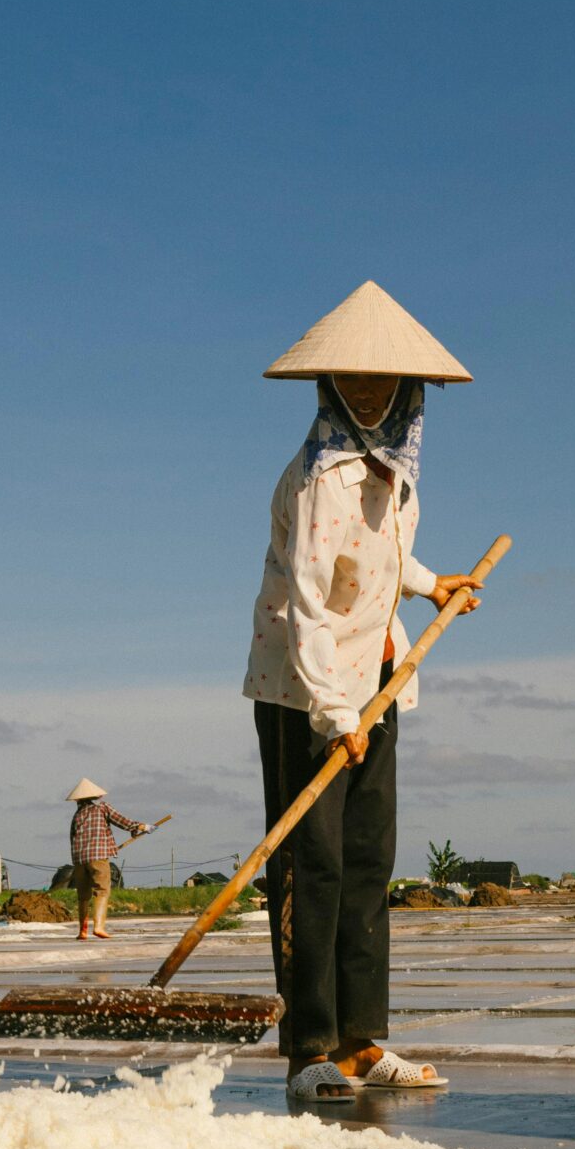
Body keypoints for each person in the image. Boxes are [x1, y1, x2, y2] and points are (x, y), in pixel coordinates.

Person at [242, 281, 483, 1104]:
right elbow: (310, 596)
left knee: (368, 859)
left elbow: (374, 559)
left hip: (373, 675)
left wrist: (426, 583)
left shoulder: (396, 471)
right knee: (313, 865)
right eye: (357, 381)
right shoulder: (321, 475)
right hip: (303, 685)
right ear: (331, 386)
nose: (373, 393)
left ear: (411, 391)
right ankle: (310, 1045)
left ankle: (362, 1038)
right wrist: (333, 713)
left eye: (387, 382)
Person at [66, 779, 148, 940]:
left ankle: (82, 931)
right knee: (102, 890)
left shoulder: (77, 815)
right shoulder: (102, 808)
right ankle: (99, 927)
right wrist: (142, 827)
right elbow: (123, 822)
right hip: (98, 856)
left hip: (79, 859)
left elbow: (72, 838)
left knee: (83, 895)